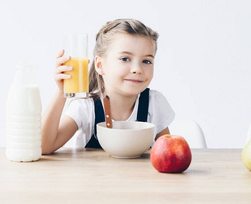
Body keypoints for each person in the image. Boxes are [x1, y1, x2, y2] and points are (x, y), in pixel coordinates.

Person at [41, 19, 174, 154]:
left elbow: (169, 152)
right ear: (100, 65)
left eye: (146, 61)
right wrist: (61, 91)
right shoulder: (85, 107)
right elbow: (44, 146)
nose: (137, 69)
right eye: (125, 58)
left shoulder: (154, 103)